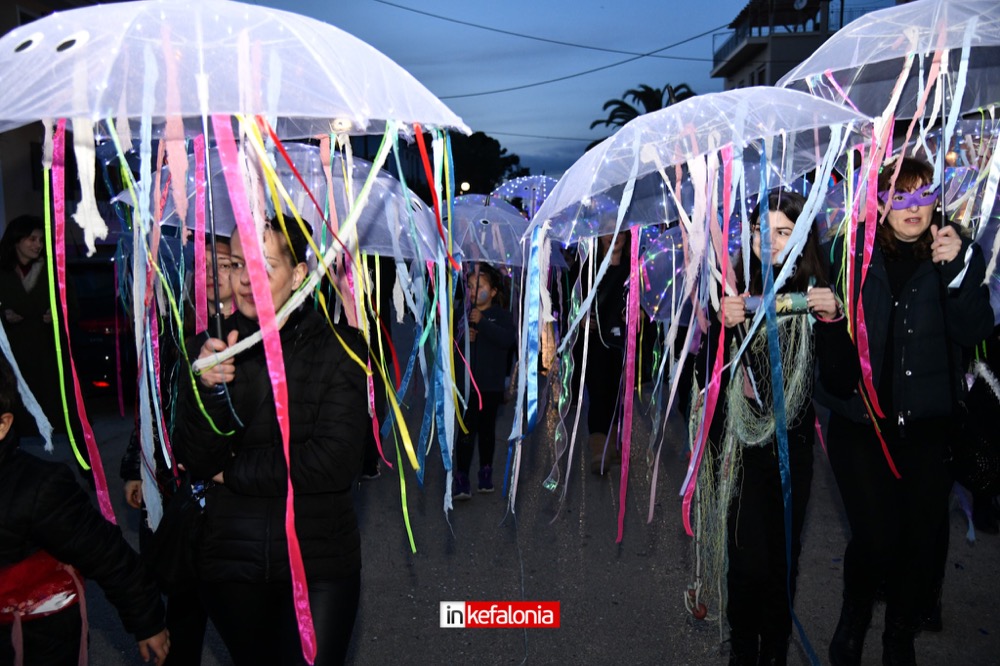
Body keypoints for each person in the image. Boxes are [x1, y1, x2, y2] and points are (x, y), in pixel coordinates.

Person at [814, 156, 993, 666]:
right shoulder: (852, 255)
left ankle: (899, 639)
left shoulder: (955, 250)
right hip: (861, 423)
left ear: (937, 197)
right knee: (874, 539)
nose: (912, 208)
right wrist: (829, 320)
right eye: (899, 196)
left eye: (923, 194)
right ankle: (853, 621)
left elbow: (975, 332)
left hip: (928, 429)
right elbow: (835, 361)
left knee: (917, 543)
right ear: (879, 202)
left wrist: (957, 271)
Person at [174, 218, 369, 666]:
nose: (244, 279)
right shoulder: (212, 347)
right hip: (231, 565)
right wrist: (208, 390)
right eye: (239, 263)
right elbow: (196, 457)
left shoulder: (343, 348)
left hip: (318, 564)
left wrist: (234, 472)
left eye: (264, 264)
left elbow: (334, 463)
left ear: (299, 274)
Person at [693, 190, 837, 665]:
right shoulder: (732, 288)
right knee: (745, 556)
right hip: (740, 445)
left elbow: (842, 381)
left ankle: (775, 648)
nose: (770, 242)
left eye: (783, 232)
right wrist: (720, 326)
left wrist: (832, 319)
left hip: (792, 445)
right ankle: (744, 645)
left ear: (802, 235)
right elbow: (702, 384)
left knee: (782, 556)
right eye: (761, 231)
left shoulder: (817, 287)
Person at [0, 353, 169, 665]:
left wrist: (148, 622)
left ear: (2, 425)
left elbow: (107, 554)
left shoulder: (38, 487)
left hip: (33, 645)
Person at [118, 236, 234, 666]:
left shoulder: (256, 330)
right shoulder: (169, 327)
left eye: (224, 264)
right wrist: (136, 468)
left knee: (234, 605)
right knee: (181, 598)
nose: (212, 274)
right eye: (205, 263)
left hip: (226, 489)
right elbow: (150, 403)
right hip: (171, 480)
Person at [0, 215, 77, 436]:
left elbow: (72, 306)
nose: (37, 245)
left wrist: (58, 315)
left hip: (47, 356)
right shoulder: (3, 272)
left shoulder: (53, 271)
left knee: (51, 409)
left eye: (41, 240)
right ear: (17, 240)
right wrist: (4, 316)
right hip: (13, 357)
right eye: (32, 239)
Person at [452, 263, 516, 500]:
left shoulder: (501, 316)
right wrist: (462, 338)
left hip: (490, 386)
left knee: (487, 430)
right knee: (466, 430)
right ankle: (461, 476)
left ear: (494, 291)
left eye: (479, 286)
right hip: (467, 385)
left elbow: (506, 340)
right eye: (469, 286)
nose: (472, 291)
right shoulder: (463, 313)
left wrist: (483, 323)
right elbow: (452, 344)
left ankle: (486, 470)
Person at [576, 232, 631, 475]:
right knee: (599, 392)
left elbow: (644, 305)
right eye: (609, 230)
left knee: (617, 393)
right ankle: (599, 447)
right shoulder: (588, 269)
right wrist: (582, 317)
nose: (615, 235)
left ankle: (612, 445)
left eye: (621, 230)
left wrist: (634, 314)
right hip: (595, 342)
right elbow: (574, 302)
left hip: (622, 344)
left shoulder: (633, 269)